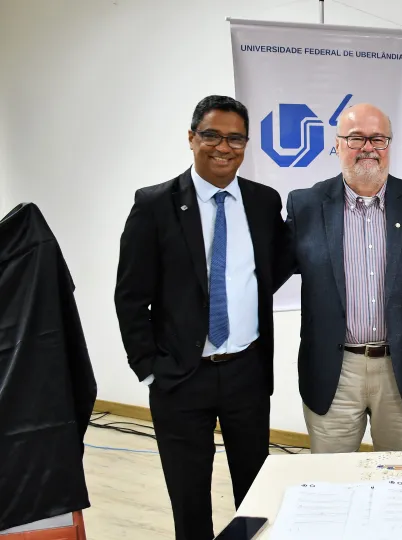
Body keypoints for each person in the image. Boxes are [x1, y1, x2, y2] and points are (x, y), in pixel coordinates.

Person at [114, 95, 289, 540]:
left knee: (256, 495)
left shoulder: (264, 202)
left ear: (246, 144)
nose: (223, 147)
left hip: (246, 373)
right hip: (180, 378)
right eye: (211, 135)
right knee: (189, 500)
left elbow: (273, 269)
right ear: (192, 138)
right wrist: (149, 369)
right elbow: (130, 297)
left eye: (235, 138)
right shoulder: (154, 205)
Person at [283, 103, 402, 453]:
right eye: (356, 138)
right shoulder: (305, 205)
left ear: (389, 144)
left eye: (378, 139)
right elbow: (271, 271)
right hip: (334, 372)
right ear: (337, 144)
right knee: (332, 478)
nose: (368, 148)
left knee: (399, 475)